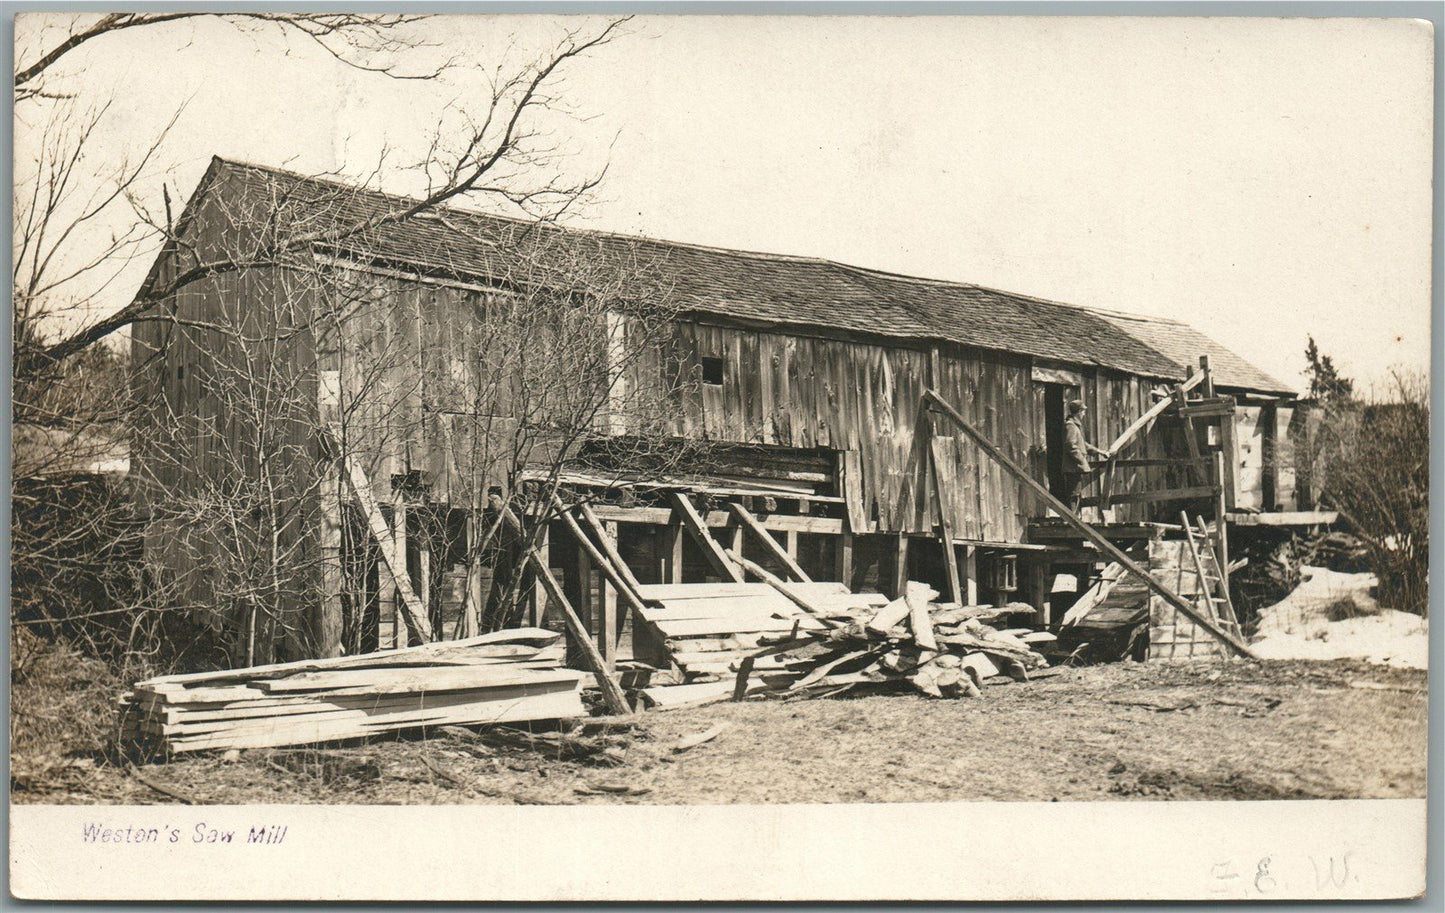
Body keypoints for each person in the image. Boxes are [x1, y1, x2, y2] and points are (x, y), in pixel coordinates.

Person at [1063, 399, 1110, 514]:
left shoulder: (1075, 426)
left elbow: (1083, 445)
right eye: (1083, 411)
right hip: (1073, 466)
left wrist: (1100, 452)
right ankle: (1072, 519)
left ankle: (1074, 517)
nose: (1084, 414)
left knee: (1076, 493)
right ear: (1078, 412)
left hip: (1075, 466)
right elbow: (1070, 445)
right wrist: (1081, 460)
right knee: (1074, 493)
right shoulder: (1071, 426)